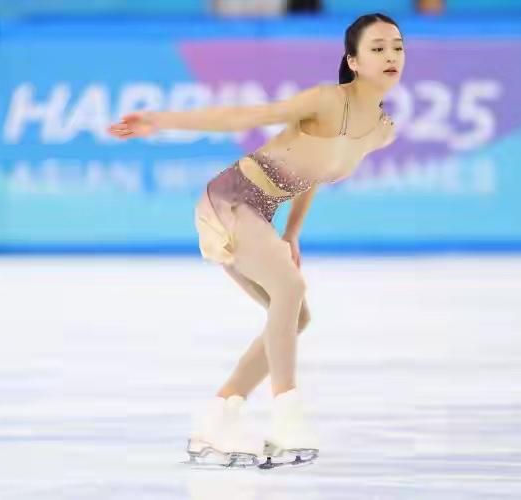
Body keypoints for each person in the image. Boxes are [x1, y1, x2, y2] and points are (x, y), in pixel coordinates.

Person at [108, 12, 403, 468]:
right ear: (353, 60)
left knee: (295, 315)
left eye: (397, 47)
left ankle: (219, 415)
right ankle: (287, 415)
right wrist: (160, 120)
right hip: (230, 198)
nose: (390, 56)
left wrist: (292, 233)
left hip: (260, 214)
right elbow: (246, 116)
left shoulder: (382, 131)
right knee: (289, 289)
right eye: (378, 48)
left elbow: (317, 172)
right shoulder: (327, 100)